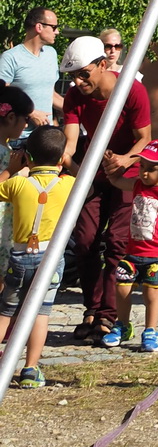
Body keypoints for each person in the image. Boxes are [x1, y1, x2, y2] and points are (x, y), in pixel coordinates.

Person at [60, 35, 152, 344]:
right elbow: (71, 142)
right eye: (73, 75)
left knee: (116, 243)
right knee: (85, 242)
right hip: (93, 175)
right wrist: (70, 163)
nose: (78, 80)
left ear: (103, 64)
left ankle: (108, 315)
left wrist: (124, 161)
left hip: (127, 174)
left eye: (84, 73)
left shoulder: (132, 90)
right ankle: (92, 308)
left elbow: (145, 137)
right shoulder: (75, 97)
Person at [0, 125, 74, 388]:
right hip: (51, 259)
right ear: (61, 157)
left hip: (20, 257)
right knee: (40, 314)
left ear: (27, 157)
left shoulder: (17, 183)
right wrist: (70, 163)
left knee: (6, 311)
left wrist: (10, 168)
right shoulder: (68, 185)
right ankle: (30, 369)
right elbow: (88, 188)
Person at [101, 138, 158, 352]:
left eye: (151, 169)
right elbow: (116, 181)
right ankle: (122, 325)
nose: (144, 173)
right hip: (131, 253)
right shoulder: (137, 184)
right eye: (142, 167)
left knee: (151, 293)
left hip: (156, 255)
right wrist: (111, 164)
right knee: (121, 287)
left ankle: (150, 330)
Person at [0, 7, 63, 130]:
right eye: (54, 27)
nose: (57, 32)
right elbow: (3, 95)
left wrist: (78, 109)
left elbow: (50, 94)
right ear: (39, 27)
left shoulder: (51, 54)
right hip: (16, 138)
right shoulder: (10, 57)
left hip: (44, 137)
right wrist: (31, 112)